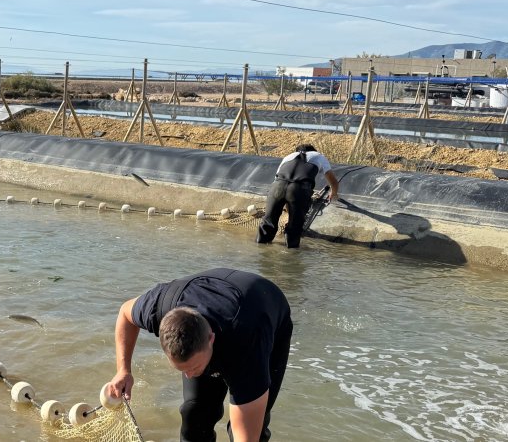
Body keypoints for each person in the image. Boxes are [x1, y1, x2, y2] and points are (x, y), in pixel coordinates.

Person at [107, 268, 292, 442]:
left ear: (211, 339)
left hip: (264, 311)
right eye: (182, 369)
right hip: (214, 297)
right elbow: (125, 313)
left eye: (193, 367)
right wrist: (123, 370)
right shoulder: (160, 305)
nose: (189, 375)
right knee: (195, 417)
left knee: (249, 431)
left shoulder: (247, 346)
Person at [257, 143, 339, 248]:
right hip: (299, 188)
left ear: (297, 151)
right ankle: (291, 256)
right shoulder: (319, 156)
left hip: (277, 187)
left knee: (268, 222)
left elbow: (278, 182)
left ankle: (260, 249)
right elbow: (334, 182)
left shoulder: (288, 157)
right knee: (295, 226)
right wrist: (334, 193)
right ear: (313, 150)